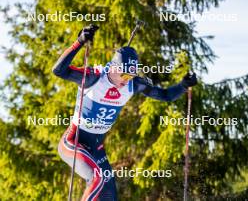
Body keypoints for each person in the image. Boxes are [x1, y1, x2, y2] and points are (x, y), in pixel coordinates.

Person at [52, 26, 197, 201]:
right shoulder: (93, 78)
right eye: (124, 75)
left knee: (109, 195)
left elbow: (165, 95)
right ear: (113, 68)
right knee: (97, 178)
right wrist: (80, 41)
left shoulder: (133, 84)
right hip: (73, 142)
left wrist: (183, 85)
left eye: (130, 76)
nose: (125, 81)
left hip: (96, 148)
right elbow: (59, 71)